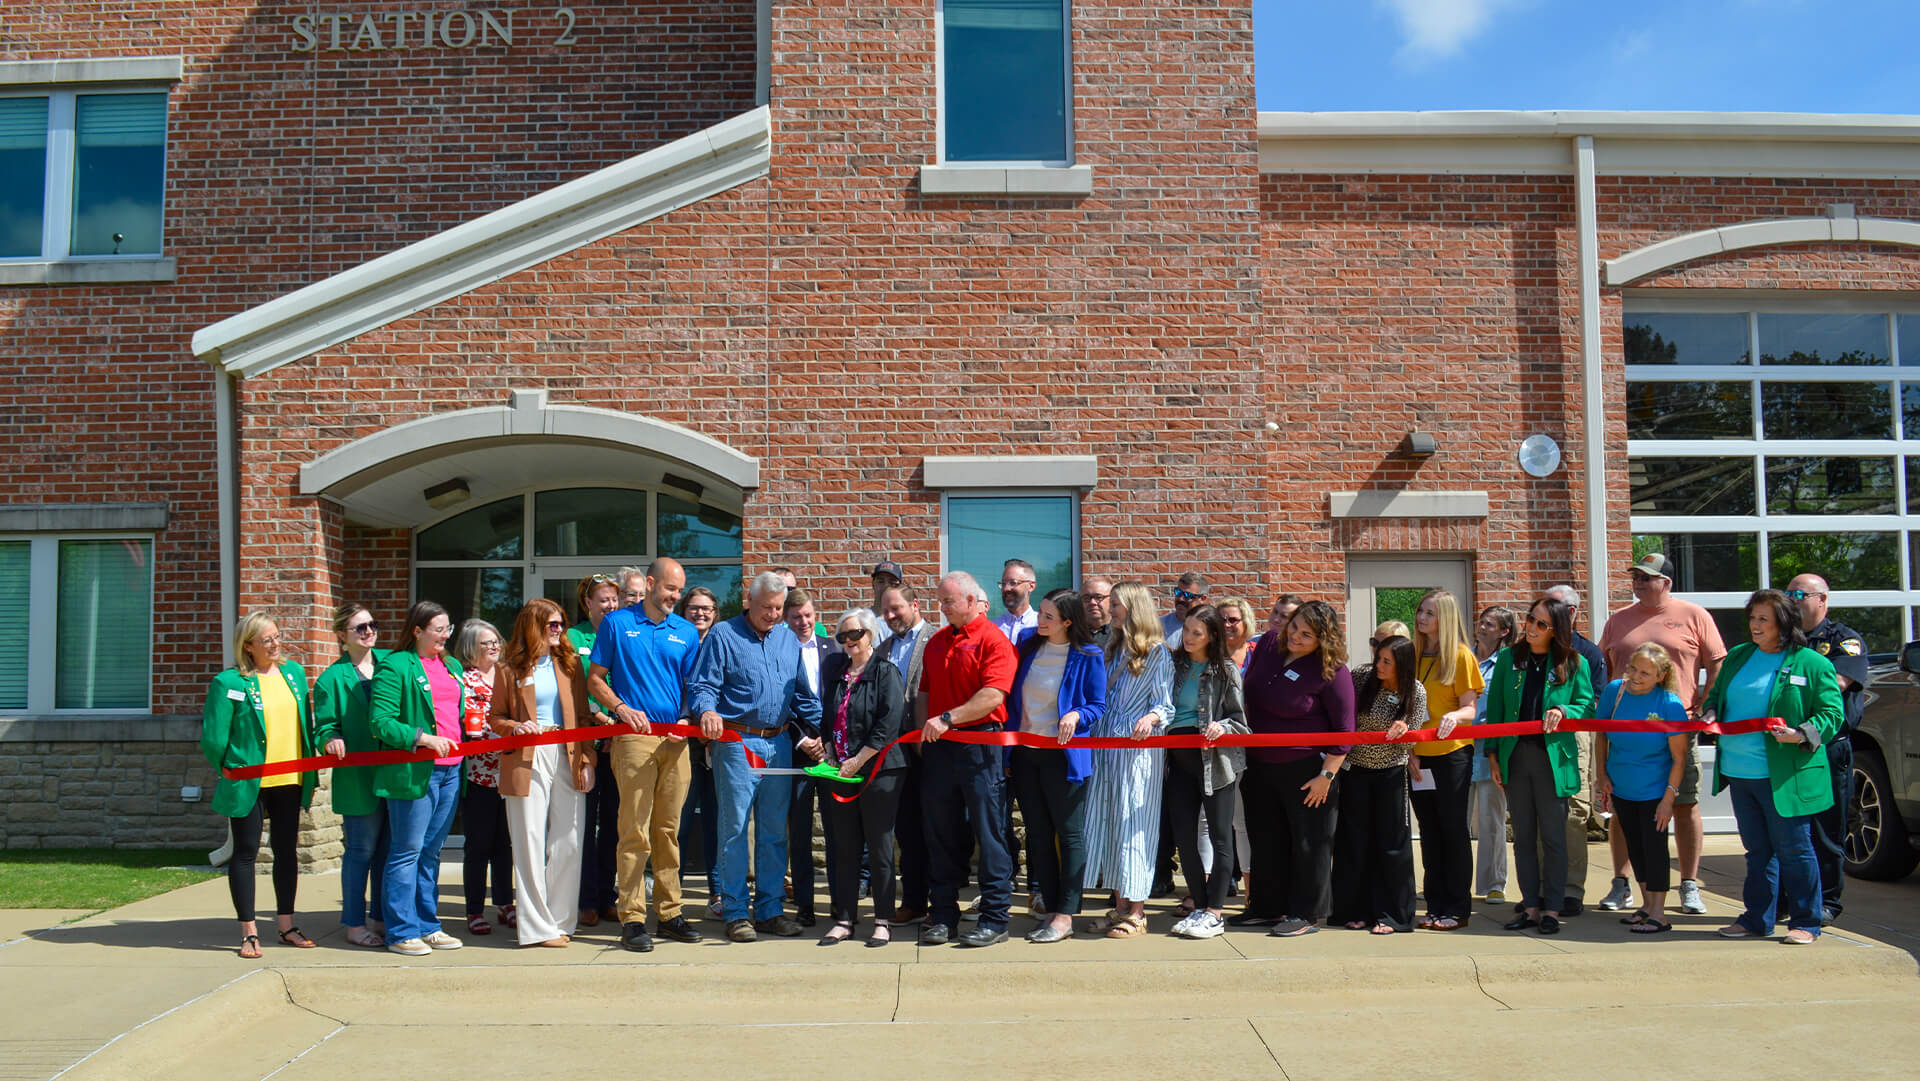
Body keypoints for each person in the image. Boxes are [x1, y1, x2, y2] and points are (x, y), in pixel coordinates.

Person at [1702, 589, 1844, 945]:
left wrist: (1800, 734)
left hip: (1784, 776)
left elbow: (1832, 714)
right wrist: (1710, 714)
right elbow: (1717, 697)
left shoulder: (1812, 663)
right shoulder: (1738, 656)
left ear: (1784, 622)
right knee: (1758, 852)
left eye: (1763, 619)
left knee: (1795, 850)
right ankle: (1756, 919)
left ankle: (1806, 922)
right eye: (1752, 618)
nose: (1755, 625)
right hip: (1739, 772)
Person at [688, 571, 823, 942]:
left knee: (773, 831)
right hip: (737, 740)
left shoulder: (787, 639)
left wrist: (820, 731)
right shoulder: (723, 635)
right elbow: (702, 685)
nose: (774, 615)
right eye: (767, 608)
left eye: (779, 608)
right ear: (749, 601)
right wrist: (707, 711)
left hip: (779, 742)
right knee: (734, 829)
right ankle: (734, 912)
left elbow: (800, 693)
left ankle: (769, 910)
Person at [1597, 553, 1726, 917]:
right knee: (1623, 808)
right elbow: (1608, 670)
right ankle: (1622, 883)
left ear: (1666, 582)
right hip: (1626, 735)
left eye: (1647, 577)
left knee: (1683, 804)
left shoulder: (1693, 615)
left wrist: (1706, 702)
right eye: (1636, 576)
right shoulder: (1619, 619)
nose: (1638, 582)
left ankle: (1688, 884)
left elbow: (1717, 662)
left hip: (1676, 728)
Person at [589, 558, 703, 952]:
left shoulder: (687, 632)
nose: (676, 596)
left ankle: (670, 913)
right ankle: (633, 918)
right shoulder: (617, 624)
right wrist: (621, 709)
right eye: (670, 588)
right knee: (634, 831)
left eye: (680, 590)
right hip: (634, 739)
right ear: (651, 583)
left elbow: (694, 686)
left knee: (668, 831)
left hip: (675, 741)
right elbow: (595, 678)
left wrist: (688, 718)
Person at [200, 612, 319, 958]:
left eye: (277, 636)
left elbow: (303, 725)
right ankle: (249, 931)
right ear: (247, 645)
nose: (275, 644)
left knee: (286, 852)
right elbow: (213, 737)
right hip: (249, 780)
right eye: (266, 640)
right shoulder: (229, 682)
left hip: (290, 779)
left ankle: (286, 925)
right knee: (246, 852)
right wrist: (229, 767)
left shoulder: (294, 674)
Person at [1233, 599, 1353, 938]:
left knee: (1309, 843)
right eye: (1294, 627)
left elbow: (1345, 732)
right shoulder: (1270, 643)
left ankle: (1306, 913)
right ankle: (1266, 907)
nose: (1296, 637)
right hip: (1259, 765)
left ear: (1323, 640)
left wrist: (1326, 776)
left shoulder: (1333, 669)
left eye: (1307, 634)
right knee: (1266, 839)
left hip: (1307, 770)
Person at [917, 571, 1020, 949]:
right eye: (940, 601)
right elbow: (923, 696)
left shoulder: (993, 640)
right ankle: (943, 915)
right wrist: (922, 741)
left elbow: (994, 695)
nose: (942, 608)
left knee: (989, 833)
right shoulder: (937, 642)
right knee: (940, 833)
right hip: (939, 749)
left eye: (948, 601)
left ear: (973, 602)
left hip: (980, 746)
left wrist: (948, 719)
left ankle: (995, 918)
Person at [490, 599, 598, 947]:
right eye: (552, 624)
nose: (559, 630)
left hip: (567, 753)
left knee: (569, 839)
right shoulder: (509, 669)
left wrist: (587, 761)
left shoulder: (569, 665)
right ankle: (537, 928)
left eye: (561, 624)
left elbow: (583, 717)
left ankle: (561, 920)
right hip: (526, 756)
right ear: (532, 626)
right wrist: (515, 726)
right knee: (529, 840)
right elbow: (495, 718)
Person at [1485, 595, 1594, 936]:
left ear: (1556, 629)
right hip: (1516, 758)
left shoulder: (1574, 662)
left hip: (1552, 760)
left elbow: (1587, 704)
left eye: (1541, 624)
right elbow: (1498, 709)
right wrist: (1492, 755)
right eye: (1531, 620)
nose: (1531, 628)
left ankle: (1552, 908)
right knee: (1524, 837)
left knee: (1554, 837)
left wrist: (1565, 712)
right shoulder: (1508, 658)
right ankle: (1530, 906)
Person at [1007, 590, 1108, 943]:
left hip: (1064, 757)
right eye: (1041, 614)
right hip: (1025, 754)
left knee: (1068, 833)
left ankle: (1066, 914)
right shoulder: (1027, 644)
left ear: (1067, 621)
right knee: (1037, 833)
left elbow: (1098, 704)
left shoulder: (1088, 654)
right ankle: (1050, 908)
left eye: (1048, 616)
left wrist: (1077, 714)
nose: (1040, 621)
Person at [369, 601, 466, 956]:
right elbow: (380, 721)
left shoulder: (452, 665)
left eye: (448, 630)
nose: (444, 636)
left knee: (431, 852)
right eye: (438, 629)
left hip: (452, 771)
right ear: (417, 630)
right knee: (406, 852)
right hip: (414, 771)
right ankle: (400, 931)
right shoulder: (395, 666)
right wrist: (423, 738)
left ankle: (428, 925)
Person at [1081, 582, 1175, 939]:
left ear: (1133, 608)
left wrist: (1151, 719)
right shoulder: (1111, 648)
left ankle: (1137, 911)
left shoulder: (1156, 653)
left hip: (1136, 753)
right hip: (1105, 750)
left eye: (1116, 604)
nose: (1111, 609)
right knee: (1110, 824)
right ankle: (1119, 905)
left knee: (1135, 825)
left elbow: (1164, 703)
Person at [816, 608, 910, 947]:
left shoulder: (887, 672)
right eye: (842, 637)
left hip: (879, 770)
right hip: (841, 770)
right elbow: (829, 721)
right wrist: (828, 750)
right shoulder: (838, 675)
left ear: (870, 635)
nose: (849, 642)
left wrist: (858, 760)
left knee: (880, 846)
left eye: (855, 634)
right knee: (845, 847)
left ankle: (882, 919)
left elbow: (889, 723)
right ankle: (844, 918)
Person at [1164, 604, 1249, 940]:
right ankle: (1198, 906)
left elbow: (1241, 724)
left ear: (1212, 636)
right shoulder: (1174, 664)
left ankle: (1215, 912)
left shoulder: (1226, 670)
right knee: (1184, 837)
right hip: (1178, 759)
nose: (1188, 638)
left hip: (1215, 762)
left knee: (1220, 836)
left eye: (1196, 633)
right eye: (1186, 630)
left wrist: (1222, 726)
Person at [1594, 643, 1690, 935]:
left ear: (1661, 676)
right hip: (1622, 786)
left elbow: (1679, 757)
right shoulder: (1615, 691)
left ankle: (1659, 914)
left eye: (1645, 673)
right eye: (1633, 669)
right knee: (1635, 847)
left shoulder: (1669, 704)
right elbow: (1600, 735)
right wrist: (1602, 774)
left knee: (1654, 849)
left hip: (1654, 791)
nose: (1636, 676)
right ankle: (1647, 906)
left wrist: (1668, 799)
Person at [1330, 634, 1423, 934]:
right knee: (1354, 843)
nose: (1379, 666)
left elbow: (1416, 730)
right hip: (1355, 770)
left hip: (1390, 773)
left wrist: (1406, 727)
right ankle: (1354, 911)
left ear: (1403, 665)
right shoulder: (1360, 677)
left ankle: (1393, 915)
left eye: (1387, 662)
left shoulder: (1415, 691)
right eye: (1378, 659)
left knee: (1391, 845)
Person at [1788, 572, 1867, 924]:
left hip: (1826, 747)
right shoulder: (1785, 640)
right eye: (1788, 592)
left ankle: (1828, 902)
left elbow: (1835, 683)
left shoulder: (1843, 639)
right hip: (1786, 747)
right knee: (1789, 829)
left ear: (1822, 599)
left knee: (1826, 830)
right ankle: (1791, 900)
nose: (1793, 598)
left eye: (1800, 593)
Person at [313, 603, 389, 948]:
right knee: (362, 850)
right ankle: (355, 924)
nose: (369, 631)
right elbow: (324, 727)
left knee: (390, 851)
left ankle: (383, 917)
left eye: (371, 624)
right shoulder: (332, 678)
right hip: (359, 777)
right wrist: (330, 739)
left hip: (395, 772)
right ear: (343, 635)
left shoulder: (391, 662)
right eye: (360, 627)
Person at [1409, 589, 1483, 932]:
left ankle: (1457, 907)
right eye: (1421, 612)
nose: (1422, 618)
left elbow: (1471, 707)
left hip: (1452, 754)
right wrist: (1409, 752)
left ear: (1446, 619)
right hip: (1417, 756)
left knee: (1453, 831)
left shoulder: (1461, 656)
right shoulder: (1413, 654)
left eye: (1430, 613)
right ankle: (1435, 904)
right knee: (1429, 831)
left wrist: (1456, 714)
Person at [1543, 583, 1609, 915]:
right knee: (1542, 815)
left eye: (1552, 606)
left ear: (1571, 612)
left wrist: (1566, 710)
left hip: (1574, 740)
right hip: (1539, 741)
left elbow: (1595, 703)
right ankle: (1543, 887)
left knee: (1572, 814)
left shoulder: (1588, 654)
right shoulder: (1533, 651)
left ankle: (1571, 890)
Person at [452, 618, 513, 936]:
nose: (494, 647)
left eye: (496, 641)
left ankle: (505, 903)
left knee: (506, 843)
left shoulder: (509, 676)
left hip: (509, 772)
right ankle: (474, 910)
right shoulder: (464, 680)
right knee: (478, 845)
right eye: (485, 643)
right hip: (479, 774)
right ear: (469, 649)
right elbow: (460, 721)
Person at [784, 588, 841, 928]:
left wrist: (831, 743)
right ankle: (805, 904)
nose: (803, 622)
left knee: (837, 833)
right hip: (797, 753)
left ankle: (838, 902)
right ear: (786, 620)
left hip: (832, 754)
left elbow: (841, 701)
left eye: (808, 615)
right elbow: (778, 702)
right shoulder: (777, 652)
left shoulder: (833, 650)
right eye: (796, 617)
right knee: (801, 833)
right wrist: (802, 739)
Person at [880, 583, 934, 925]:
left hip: (930, 750)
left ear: (915, 605)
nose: (889, 616)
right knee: (907, 830)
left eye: (896, 609)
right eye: (885, 611)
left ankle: (944, 902)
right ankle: (914, 900)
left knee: (940, 828)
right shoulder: (883, 647)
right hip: (893, 752)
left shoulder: (937, 638)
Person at [573, 572, 624, 929]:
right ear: (587, 603)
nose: (609, 605)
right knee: (583, 823)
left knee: (613, 825)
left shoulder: (621, 630)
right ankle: (585, 899)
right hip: (585, 741)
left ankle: (608, 896)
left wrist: (615, 724)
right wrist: (599, 716)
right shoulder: (572, 637)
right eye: (603, 600)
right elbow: (576, 685)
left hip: (617, 741)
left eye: (613, 600)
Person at [674, 585, 725, 918]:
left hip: (719, 743)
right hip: (682, 743)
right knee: (677, 823)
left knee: (717, 823)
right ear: (683, 611)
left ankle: (718, 894)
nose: (700, 613)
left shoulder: (722, 643)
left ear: (715, 613)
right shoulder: (678, 642)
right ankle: (671, 894)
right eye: (693, 607)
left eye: (706, 608)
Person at [1469, 605, 1518, 904]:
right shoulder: (1463, 657)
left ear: (1504, 632)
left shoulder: (1509, 663)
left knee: (1491, 821)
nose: (1482, 627)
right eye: (1481, 622)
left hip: (1490, 754)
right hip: (1458, 750)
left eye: (1490, 624)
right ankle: (1453, 880)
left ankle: (1494, 884)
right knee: (1453, 821)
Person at [994, 558, 1039, 643]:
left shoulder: (1042, 625)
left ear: (1031, 586)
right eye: (1003, 583)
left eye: (1013, 583)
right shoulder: (992, 627)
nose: (1006, 588)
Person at [1163, 572, 1210, 642]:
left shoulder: (1210, 628)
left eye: (1187, 595)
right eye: (1178, 592)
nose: (1181, 599)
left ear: (1203, 598)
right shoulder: (1159, 626)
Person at [1217, 596, 1258, 673]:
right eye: (1221, 620)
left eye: (1232, 620)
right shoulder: (1208, 653)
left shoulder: (1258, 652)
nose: (1226, 625)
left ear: (1246, 622)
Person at [868, 560, 904, 641]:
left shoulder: (905, 622)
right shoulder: (861, 620)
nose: (886, 586)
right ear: (873, 584)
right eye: (881, 581)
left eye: (892, 582)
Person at [1080, 575, 1115, 647]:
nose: (1092, 602)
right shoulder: (1072, 634)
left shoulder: (1123, 635)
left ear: (1112, 599)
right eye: (1086, 598)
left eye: (1098, 597)